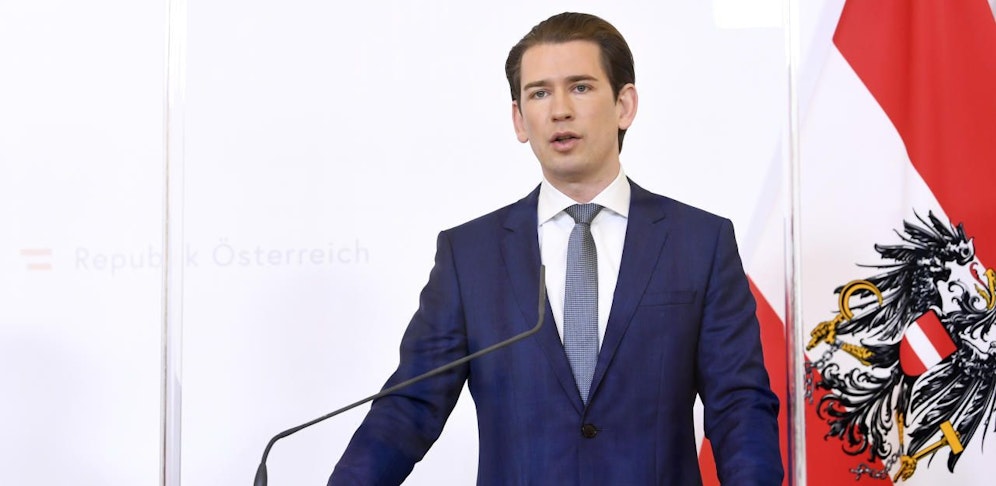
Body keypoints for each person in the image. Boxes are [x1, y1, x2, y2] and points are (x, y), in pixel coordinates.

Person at [330, 12, 781, 485]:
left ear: (624, 105)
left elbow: (738, 405)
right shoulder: (470, 256)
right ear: (519, 119)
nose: (559, 110)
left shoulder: (699, 243)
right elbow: (408, 407)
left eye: (580, 87)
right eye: (539, 93)